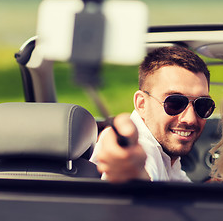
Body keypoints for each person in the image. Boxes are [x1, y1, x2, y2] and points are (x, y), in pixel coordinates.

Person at [90, 46, 215, 183]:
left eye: (202, 105)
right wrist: (132, 174)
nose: (190, 119)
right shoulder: (143, 148)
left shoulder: (169, 158)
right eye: (174, 103)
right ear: (141, 104)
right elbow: (140, 177)